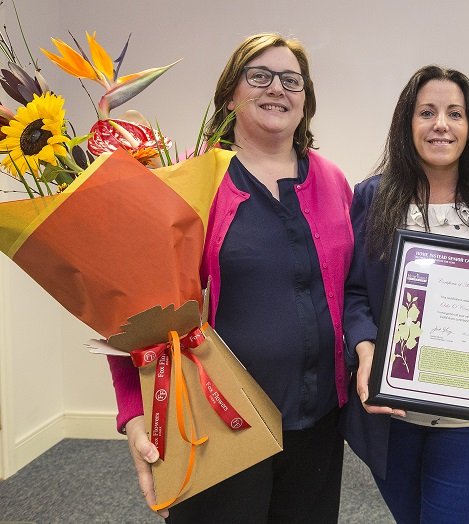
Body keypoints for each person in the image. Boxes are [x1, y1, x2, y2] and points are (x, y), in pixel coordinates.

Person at [106, 33, 353, 523]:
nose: (276, 89)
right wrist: (134, 410)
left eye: (291, 80)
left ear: (306, 100)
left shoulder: (333, 180)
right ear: (230, 95)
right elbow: (133, 305)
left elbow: (359, 288)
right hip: (219, 419)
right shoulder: (194, 181)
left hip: (318, 420)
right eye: (258, 76)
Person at [341, 65, 469, 524]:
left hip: (467, 424)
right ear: (408, 123)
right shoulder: (373, 195)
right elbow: (355, 291)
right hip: (393, 418)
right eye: (427, 112)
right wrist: (366, 352)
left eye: (454, 113)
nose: (440, 124)